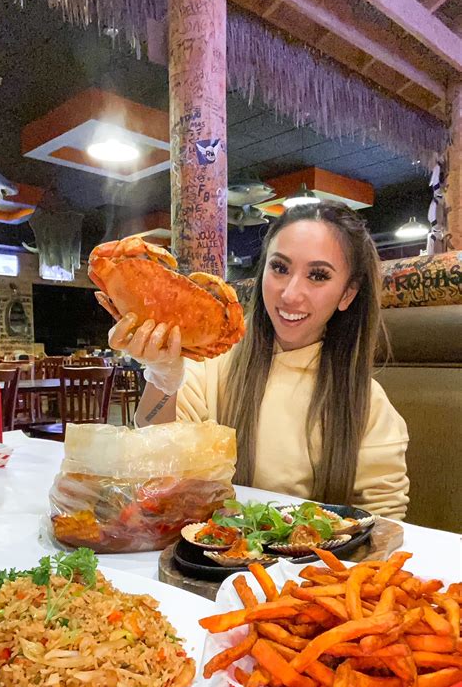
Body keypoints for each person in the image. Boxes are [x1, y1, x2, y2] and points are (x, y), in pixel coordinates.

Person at [108, 202, 409, 519]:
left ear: (347, 293)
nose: (291, 294)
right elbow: (158, 460)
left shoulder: (368, 403)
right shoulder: (214, 364)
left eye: (318, 276)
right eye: (280, 268)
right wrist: (162, 375)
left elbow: (381, 517)